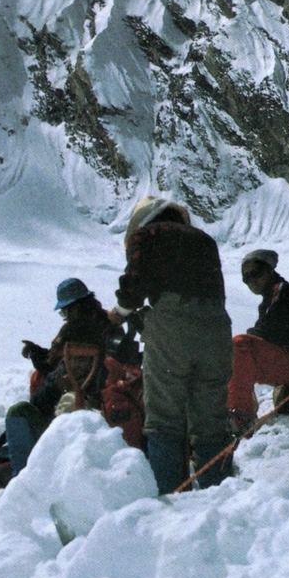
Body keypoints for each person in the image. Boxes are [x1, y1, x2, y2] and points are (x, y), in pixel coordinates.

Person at [108, 196, 234, 495]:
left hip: (173, 327)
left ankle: (171, 496)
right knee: (211, 419)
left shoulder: (148, 234)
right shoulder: (204, 240)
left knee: (165, 417)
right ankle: (219, 495)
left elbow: (134, 286)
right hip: (216, 327)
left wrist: (118, 314)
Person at [5, 278, 138, 475]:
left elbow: (51, 370)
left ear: (73, 308)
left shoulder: (71, 335)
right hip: (105, 409)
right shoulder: (110, 325)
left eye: (64, 311)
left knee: (20, 411)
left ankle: (22, 478)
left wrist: (35, 355)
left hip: (72, 415)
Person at [226, 249, 289, 428]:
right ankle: (235, 408)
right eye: (246, 278)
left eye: (255, 273)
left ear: (269, 270)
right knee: (237, 353)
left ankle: (240, 415)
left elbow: (265, 331)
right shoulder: (272, 297)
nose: (251, 281)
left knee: (240, 346)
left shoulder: (282, 291)